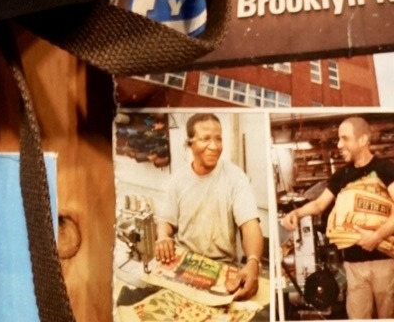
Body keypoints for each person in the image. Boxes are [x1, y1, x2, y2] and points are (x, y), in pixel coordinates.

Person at [283, 115, 394, 318]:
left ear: (363, 140)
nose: (339, 144)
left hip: (385, 263)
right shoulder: (341, 176)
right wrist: (296, 213)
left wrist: (376, 236)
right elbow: (319, 205)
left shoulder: (385, 169)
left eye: (345, 138)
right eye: (338, 139)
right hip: (353, 266)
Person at [155, 113, 263, 301]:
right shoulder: (177, 180)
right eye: (205, 139)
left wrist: (253, 261)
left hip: (222, 266)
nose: (214, 146)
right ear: (189, 143)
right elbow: (166, 220)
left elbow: (250, 225)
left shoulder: (235, 178)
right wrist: (163, 236)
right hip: (183, 263)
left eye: (218, 139)